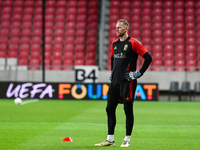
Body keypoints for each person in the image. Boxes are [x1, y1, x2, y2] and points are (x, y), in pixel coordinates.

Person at [95, 19, 152, 147]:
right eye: (116, 27)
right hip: (114, 83)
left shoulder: (134, 43)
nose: (116, 29)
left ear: (126, 28)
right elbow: (112, 58)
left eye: (119, 28)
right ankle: (110, 139)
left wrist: (138, 73)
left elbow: (148, 58)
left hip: (128, 82)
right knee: (109, 108)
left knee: (127, 110)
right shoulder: (114, 43)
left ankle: (127, 139)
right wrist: (112, 72)